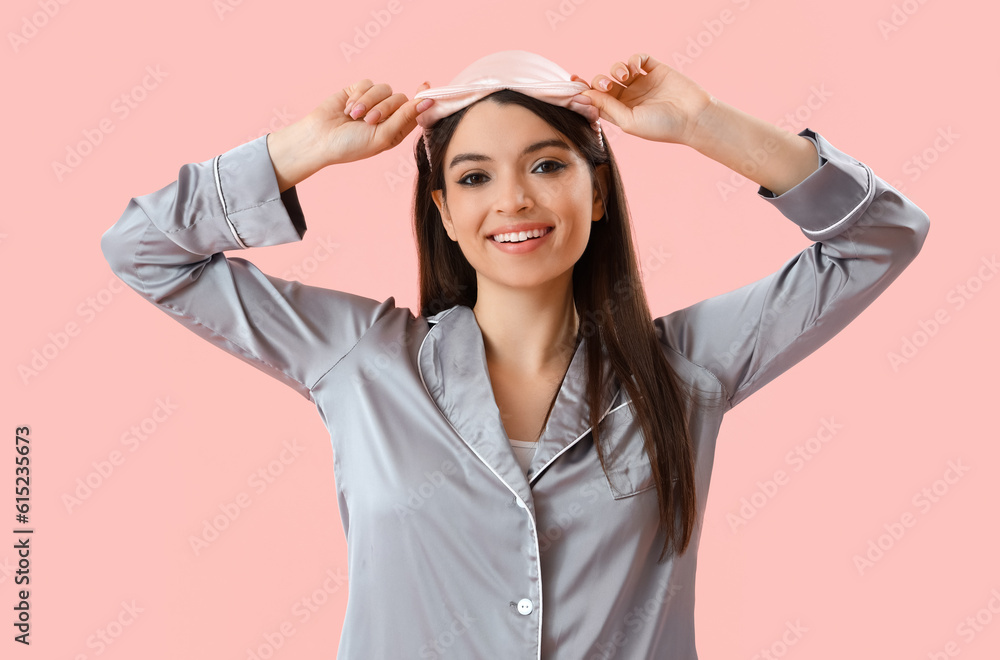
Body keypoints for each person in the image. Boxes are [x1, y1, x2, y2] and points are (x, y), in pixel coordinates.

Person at [100, 50, 929, 659]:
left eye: (547, 164)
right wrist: (299, 151)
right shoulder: (358, 360)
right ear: (445, 214)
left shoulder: (684, 369)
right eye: (474, 178)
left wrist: (702, 124)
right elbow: (142, 249)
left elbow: (882, 234)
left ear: (595, 190)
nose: (515, 201)